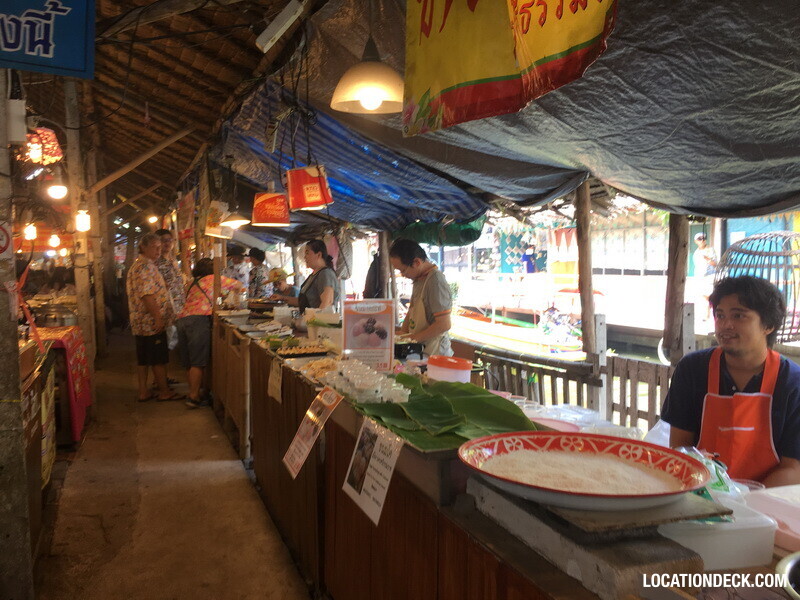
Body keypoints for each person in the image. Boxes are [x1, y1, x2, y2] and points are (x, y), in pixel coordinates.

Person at [661, 276, 800, 487]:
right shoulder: (692, 369)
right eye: (720, 315)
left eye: (738, 316)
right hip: (702, 494)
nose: (726, 325)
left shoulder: (793, 383)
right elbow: (680, 449)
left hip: (767, 501)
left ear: (768, 325)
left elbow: (793, 469)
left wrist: (745, 499)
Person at [176, 258, 244, 408]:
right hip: (198, 320)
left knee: (190, 362)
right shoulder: (213, 279)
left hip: (182, 320)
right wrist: (235, 301)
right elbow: (239, 285)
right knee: (198, 362)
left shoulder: (191, 282)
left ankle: (195, 392)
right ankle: (193, 397)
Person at [126, 233, 181, 402]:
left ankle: (143, 391)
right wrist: (158, 318)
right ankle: (164, 391)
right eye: (154, 247)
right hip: (150, 321)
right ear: (143, 247)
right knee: (158, 358)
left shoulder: (145, 265)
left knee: (143, 358)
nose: (158, 250)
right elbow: (147, 295)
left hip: (142, 321)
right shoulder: (144, 267)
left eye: (159, 247)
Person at [389, 238, 453, 356]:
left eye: (403, 270)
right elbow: (412, 309)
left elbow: (444, 324)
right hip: (420, 349)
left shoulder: (435, 281)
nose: (403, 275)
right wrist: (403, 333)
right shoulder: (419, 279)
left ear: (417, 262)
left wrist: (411, 339)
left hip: (435, 351)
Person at [274, 240, 339, 312]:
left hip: (321, 322)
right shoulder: (313, 275)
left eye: (307, 253)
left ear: (319, 255)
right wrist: (281, 298)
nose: (305, 257)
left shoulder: (326, 274)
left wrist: (313, 320)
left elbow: (327, 302)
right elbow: (302, 302)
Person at [153, 229, 186, 315]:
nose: (167, 243)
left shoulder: (173, 261)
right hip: (165, 309)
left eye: (169, 240)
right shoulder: (155, 263)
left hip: (179, 307)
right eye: (163, 240)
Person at [693, 232, 717, 320]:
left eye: (703, 238)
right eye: (699, 239)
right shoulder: (696, 252)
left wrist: (708, 259)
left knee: (709, 295)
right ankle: (707, 314)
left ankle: (709, 315)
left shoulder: (710, 249)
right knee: (703, 296)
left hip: (709, 276)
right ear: (695, 241)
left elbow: (715, 263)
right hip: (700, 277)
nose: (702, 240)